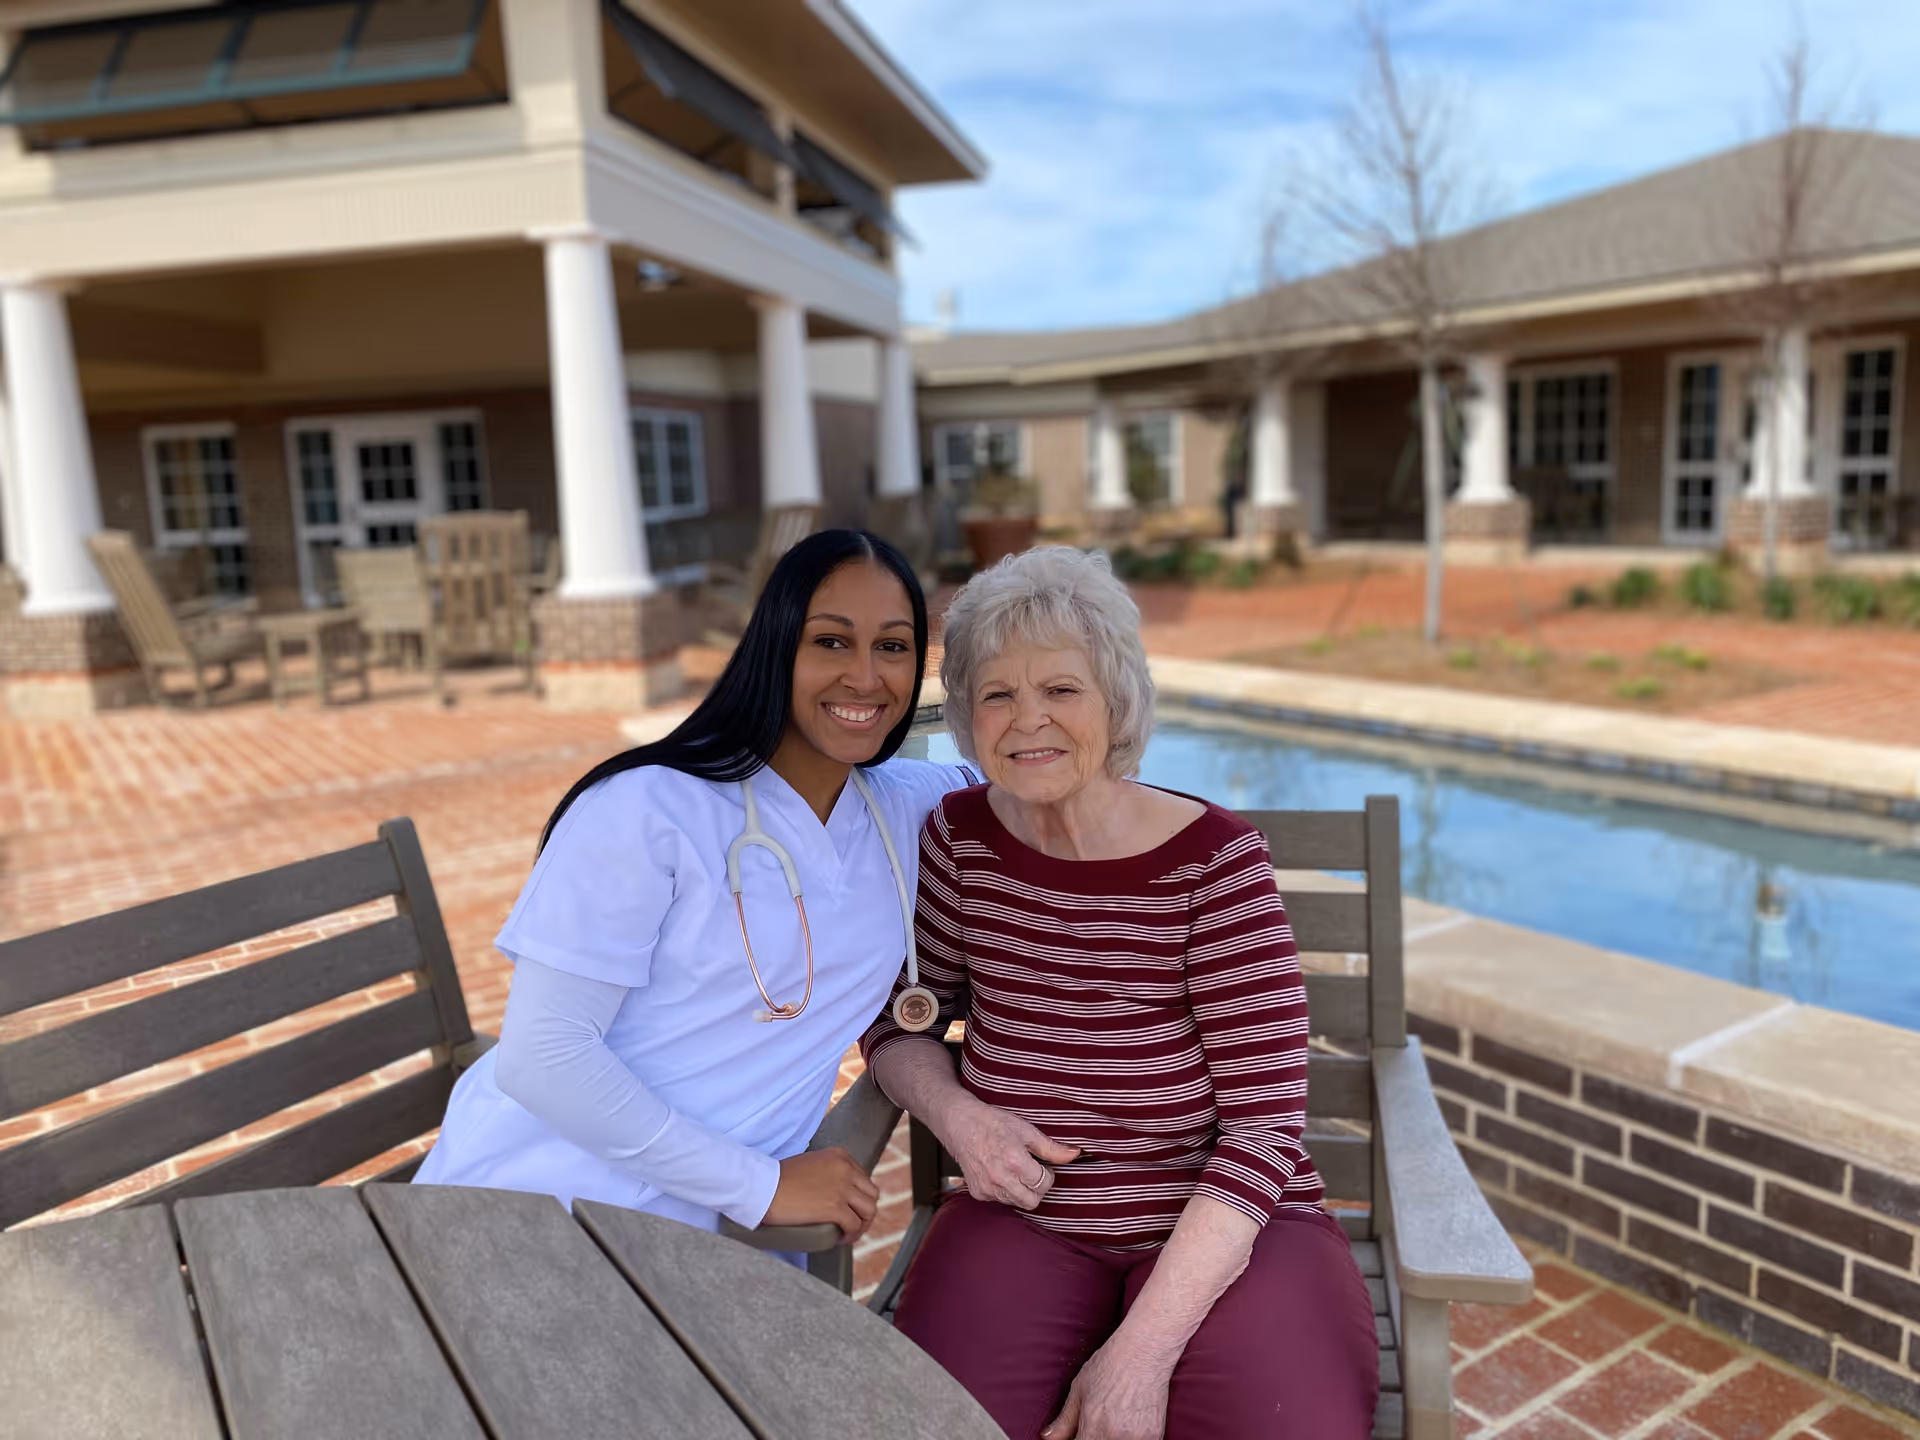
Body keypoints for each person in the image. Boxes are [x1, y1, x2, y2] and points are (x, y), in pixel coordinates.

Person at [861, 547, 1379, 1440]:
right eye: (997, 694)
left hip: (1224, 1224)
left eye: (1061, 690)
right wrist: (957, 1116)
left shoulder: (1216, 862)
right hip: (1023, 1218)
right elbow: (903, 1025)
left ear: (1117, 701)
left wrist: (1137, 1355)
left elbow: (1262, 1126)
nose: (1028, 722)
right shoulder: (959, 837)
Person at [418, 530, 975, 1250]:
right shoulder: (647, 809)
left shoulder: (907, 806)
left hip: (707, 1243)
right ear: (775, 647)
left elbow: (1048, 778)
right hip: (530, 1207)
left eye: (893, 647)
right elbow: (544, 1053)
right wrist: (760, 1187)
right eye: (831, 642)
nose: (866, 677)